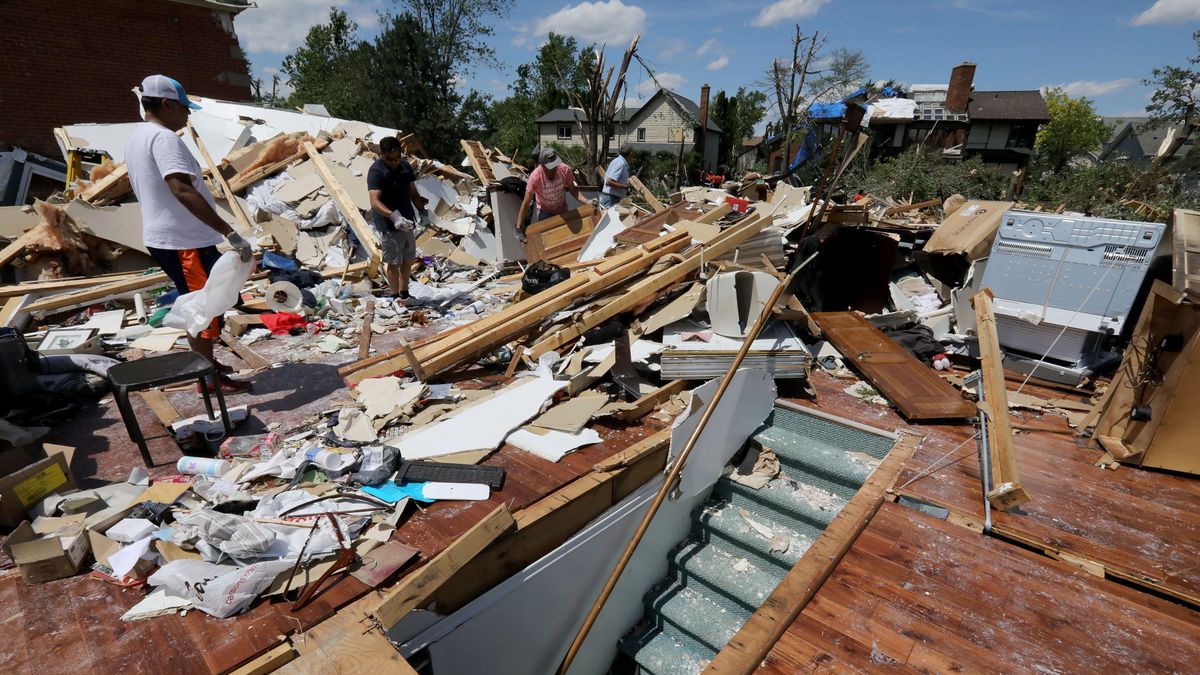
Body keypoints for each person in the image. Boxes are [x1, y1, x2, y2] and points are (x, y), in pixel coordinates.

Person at [125, 74, 252, 394]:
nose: (188, 114)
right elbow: (180, 188)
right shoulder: (165, 139)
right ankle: (207, 380)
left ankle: (205, 364)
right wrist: (229, 232)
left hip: (173, 238)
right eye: (184, 108)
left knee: (210, 302)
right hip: (183, 241)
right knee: (203, 307)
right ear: (166, 104)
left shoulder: (139, 135)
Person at [367, 136, 427, 302]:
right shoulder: (376, 171)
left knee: (407, 259)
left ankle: (405, 294)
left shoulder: (405, 166)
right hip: (389, 224)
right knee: (393, 261)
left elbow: (413, 193)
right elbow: (374, 201)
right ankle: (394, 297)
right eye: (390, 159)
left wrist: (422, 212)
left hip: (407, 221)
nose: (394, 163)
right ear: (382, 155)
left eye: (397, 158)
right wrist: (394, 216)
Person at [516, 147, 588, 241]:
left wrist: (587, 201)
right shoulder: (535, 177)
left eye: (555, 165)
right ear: (542, 165)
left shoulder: (564, 170)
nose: (554, 169)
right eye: (550, 167)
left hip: (562, 209)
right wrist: (518, 227)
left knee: (565, 238)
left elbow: (574, 190)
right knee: (547, 239)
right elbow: (526, 203)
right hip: (544, 211)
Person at [600, 144, 633, 209]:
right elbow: (609, 182)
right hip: (611, 199)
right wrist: (625, 187)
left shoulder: (618, 161)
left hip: (612, 198)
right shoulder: (620, 163)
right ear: (631, 153)